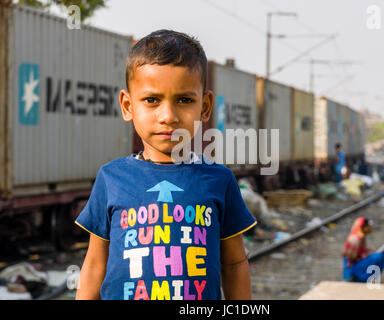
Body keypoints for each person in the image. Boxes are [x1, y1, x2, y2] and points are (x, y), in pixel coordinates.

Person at [74, 30, 257, 300]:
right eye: (151, 100)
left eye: (184, 100)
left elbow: (234, 264)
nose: (168, 116)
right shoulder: (111, 178)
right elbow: (94, 266)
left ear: (205, 107)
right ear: (127, 105)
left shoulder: (219, 180)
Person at [342, 217, 384, 282]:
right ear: (363, 227)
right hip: (353, 266)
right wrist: (364, 256)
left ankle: (370, 278)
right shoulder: (356, 239)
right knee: (378, 257)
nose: (370, 228)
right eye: (368, 226)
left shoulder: (360, 236)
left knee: (379, 256)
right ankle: (364, 279)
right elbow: (351, 257)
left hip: (356, 263)